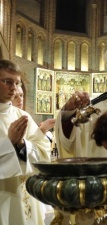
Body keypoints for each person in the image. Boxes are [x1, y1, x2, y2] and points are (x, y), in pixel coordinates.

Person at [0, 59, 51, 225]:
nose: (14, 88)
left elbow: (43, 152)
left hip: (25, 196)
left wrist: (22, 145)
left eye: (17, 83)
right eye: (7, 82)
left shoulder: (23, 116)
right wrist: (9, 143)